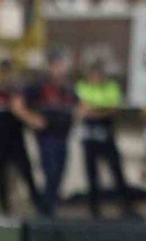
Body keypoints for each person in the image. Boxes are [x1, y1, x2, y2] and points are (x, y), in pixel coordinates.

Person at [75, 60, 134, 218]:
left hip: (107, 134)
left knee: (116, 170)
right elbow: (83, 110)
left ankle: (126, 206)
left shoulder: (111, 87)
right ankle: (93, 209)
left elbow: (113, 109)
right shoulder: (82, 86)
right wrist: (101, 110)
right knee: (91, 173)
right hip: (89, 137)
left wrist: (96, 110)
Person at [25, 51, 79, 216]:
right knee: (51, 171)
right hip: (46, 137)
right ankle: (45, 210)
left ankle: (50, 206)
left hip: (63, 136)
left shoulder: (68, 87)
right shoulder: (39, 86)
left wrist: (76, 117)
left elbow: (78, 104)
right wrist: (32, 118)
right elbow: (19, 104)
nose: (61, 69)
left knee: (60, 173)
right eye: (58, 65)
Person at [0, 58, 42, 214]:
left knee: (26, 172)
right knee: (3, 177)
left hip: (16, 139)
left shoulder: (16, 92)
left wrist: (32, 120)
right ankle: (5, 208)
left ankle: (38, 206)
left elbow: (20, 109)